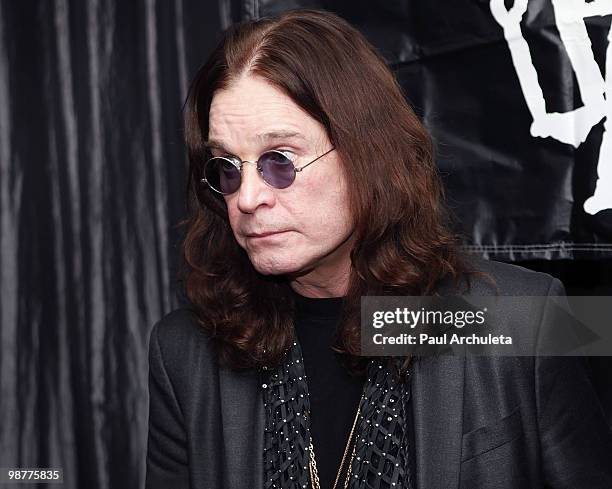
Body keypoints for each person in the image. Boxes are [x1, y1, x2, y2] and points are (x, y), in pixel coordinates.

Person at [145, 8, 612, 489]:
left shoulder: (529, 318)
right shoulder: (184, 351)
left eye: (279, 161)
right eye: (227, 167)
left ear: (366, 154)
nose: (246, 197)